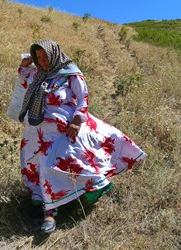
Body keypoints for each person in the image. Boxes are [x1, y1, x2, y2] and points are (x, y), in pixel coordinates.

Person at [17, 39, 146, 233]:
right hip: (36, 130)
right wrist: (24, 66)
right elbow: (24, 82)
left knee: (49, 163)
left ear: (55, 53)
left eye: (46, 56)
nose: (43, 61)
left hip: (64, 128)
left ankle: (50, 212)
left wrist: (77, 122)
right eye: (39, 57)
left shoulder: (71, 73)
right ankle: (40, 198)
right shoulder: (39, 74)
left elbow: (83, 99)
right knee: (32, 162)